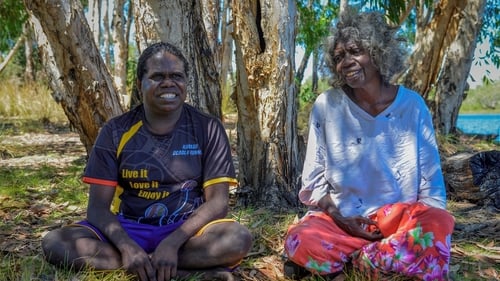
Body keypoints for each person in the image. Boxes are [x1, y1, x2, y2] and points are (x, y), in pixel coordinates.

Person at [42, 42, 252, 281]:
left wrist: (172, 243)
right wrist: (127, 247)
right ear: (140, 83)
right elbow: (98, 208)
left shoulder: (208, 128)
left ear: (185, 83)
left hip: (187, 232)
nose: (168, 83)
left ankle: (146, 266)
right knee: (55, 243)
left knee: (238, 239)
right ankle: (179, 272)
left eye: (176, 76)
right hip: (129, 228)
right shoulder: (115, 130)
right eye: (157, 76)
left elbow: (218, 203)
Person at [283, 11, 455, 281]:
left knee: (439, 223)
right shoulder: (327, 106)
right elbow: (314, 181)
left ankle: (355, 261)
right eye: (339, 57)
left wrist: (417, 227)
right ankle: (382, 260)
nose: (346, 62)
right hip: (343, 220)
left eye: (355, 51)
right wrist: (341, 219)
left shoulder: (412, 105)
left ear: (378, 52)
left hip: (398, 219)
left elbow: (431, 186)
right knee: (299, 238)